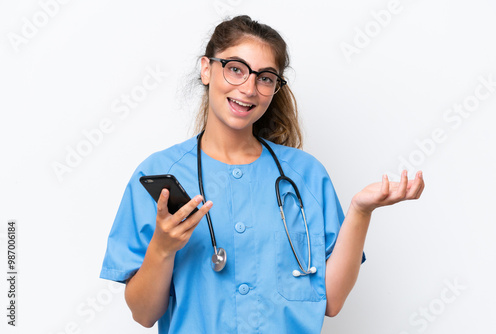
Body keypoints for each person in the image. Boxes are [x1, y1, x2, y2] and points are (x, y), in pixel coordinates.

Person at [100, 15, 425, 333]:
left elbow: (332, 301)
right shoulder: (159, 174)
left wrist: (360, 211)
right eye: (235, 69)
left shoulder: (305, 175)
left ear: (275, 88)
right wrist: (162, 248)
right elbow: (144, 315)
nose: (249, 88)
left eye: (265, 77)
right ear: (206, 69)